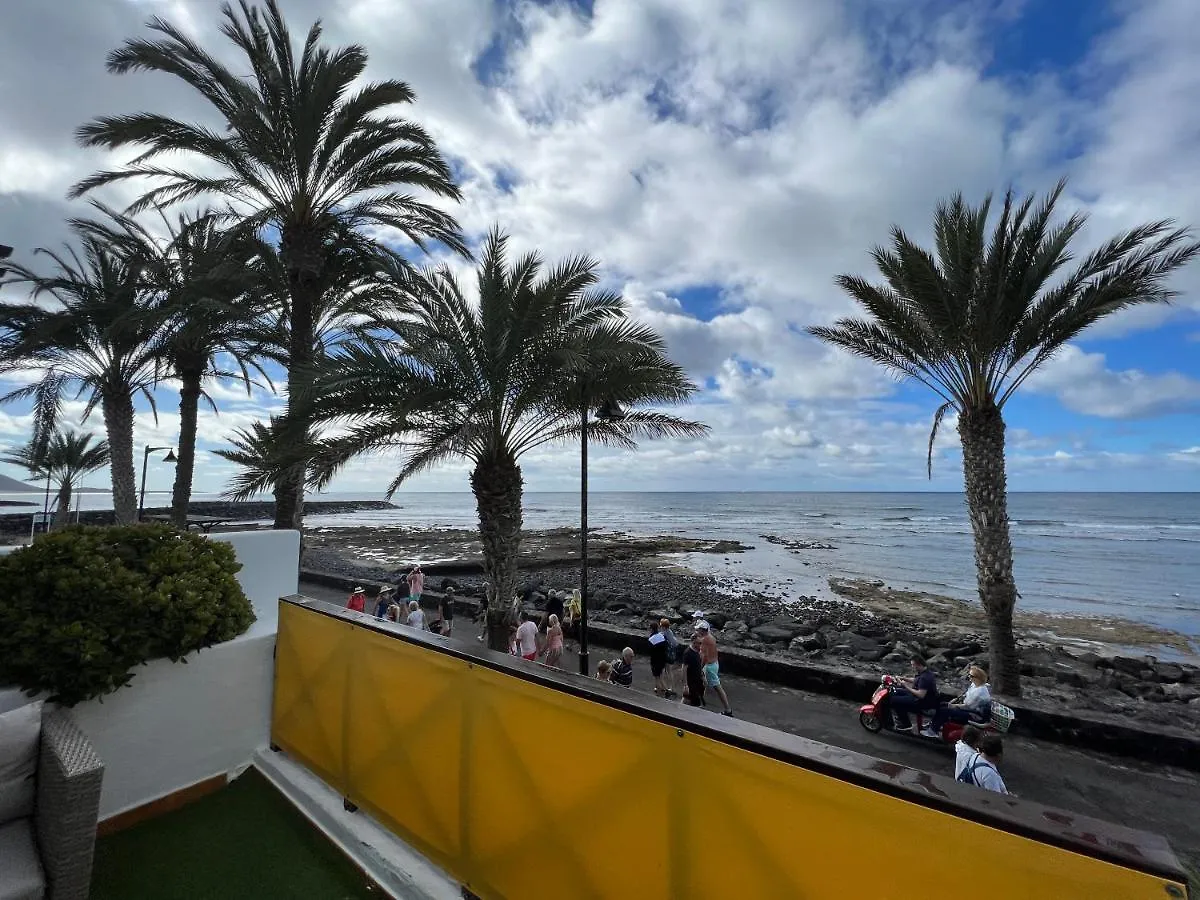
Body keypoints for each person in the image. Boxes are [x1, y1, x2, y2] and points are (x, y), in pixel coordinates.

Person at [923, 665, 992, 738]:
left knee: (945, 710)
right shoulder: (975, 685)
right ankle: (933, 724)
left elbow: (968, 706)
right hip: (968, 708)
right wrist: (955, 700)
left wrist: (954, 705)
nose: (969, 677)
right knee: (942, 704)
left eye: (971, 676)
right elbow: (965, 695)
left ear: (978, 678)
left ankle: (933, 731)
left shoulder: (980, 692)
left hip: (974, 715)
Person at [890, 655, 938, 733]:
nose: (912, 667)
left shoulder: (925, 678)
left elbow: (921, 695)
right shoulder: (924, 672)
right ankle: (901, 717)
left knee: (894, 700)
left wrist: (905, 686)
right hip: (919, 697)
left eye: (913, 665)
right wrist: (903, 678)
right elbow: (916, 680)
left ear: (919, 664)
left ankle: (906, 724)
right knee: (894, 692)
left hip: (922, 702)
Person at [696, 621, 733, 716]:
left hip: (709, 666)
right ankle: (701, 703)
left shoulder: (705, 640)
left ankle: (728, 710)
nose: (697, 631)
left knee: (717, 687)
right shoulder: (711, 637)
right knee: (702, 684)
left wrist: (700, 668)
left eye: (698, 629)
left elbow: (704, 656)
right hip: (714, 663)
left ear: (703, 630)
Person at [682, 632, 706, 707]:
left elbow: (698, 665)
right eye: (698, 643)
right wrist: (685, 685)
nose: (700, 645)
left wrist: (702, 675)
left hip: (698, 680)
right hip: (691, 681)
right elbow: (684, 669)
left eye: (701, 643)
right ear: (693, 642)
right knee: (691, 700)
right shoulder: (688, 653)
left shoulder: (698, 651)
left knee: (689, 698)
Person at [648, 623, 671, 697]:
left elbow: (650, 651)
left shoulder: (651, 639)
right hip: (662, 660)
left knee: (657, 678)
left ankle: (660, 693)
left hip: (655, 661)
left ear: (651, 629)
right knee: (661, 676)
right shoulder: (662, 636)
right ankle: (665, 689)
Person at [660, 618, 682, 695]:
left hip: (667, 655)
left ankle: (670, 688)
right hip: (671, 654)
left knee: (667, 671)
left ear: (664, 626)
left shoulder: (665, 633)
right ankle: (671, 687)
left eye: (661, 625)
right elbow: (675, 643)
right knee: (668, 671)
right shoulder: (669, 632)